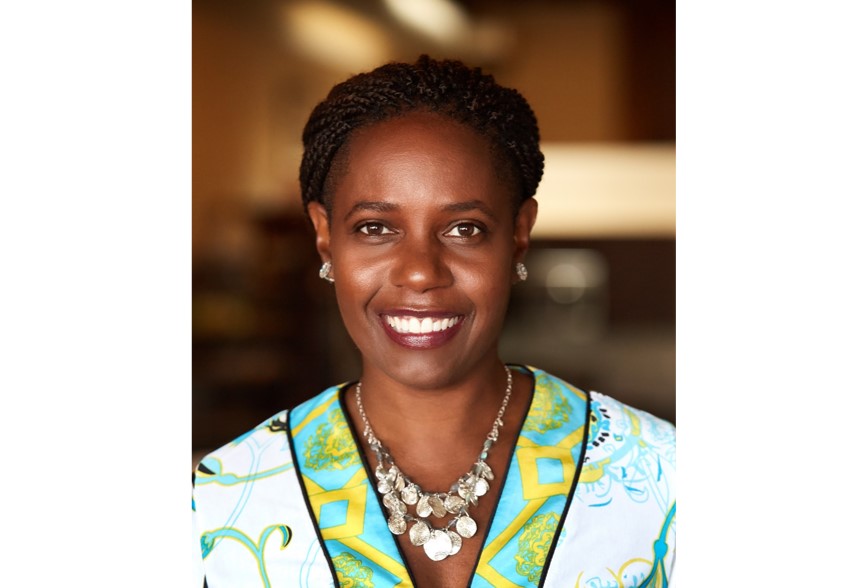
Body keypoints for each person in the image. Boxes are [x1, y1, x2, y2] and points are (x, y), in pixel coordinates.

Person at [192, 55, 675, 588]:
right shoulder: (222, 502)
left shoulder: (665, 481)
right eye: (375, 228)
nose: (420, 272)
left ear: (519, 233)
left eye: (465, 229)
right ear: (325, 236)